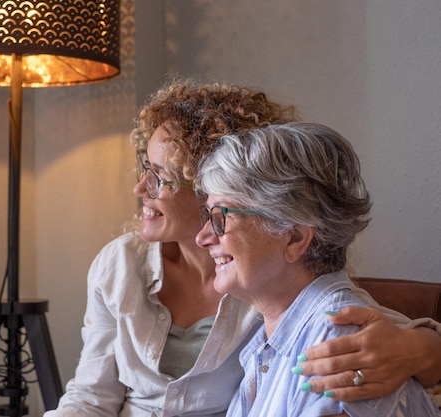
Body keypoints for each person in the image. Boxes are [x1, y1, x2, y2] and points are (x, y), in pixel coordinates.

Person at [43, 79, 441, 417]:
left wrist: (418, 349)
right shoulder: (124, 263)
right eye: (144, 168)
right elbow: (91, 395)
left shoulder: (291, 303)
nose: (140, 188)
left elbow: (357, 320)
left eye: (160, 176)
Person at [195, 122, 440, 416]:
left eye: (221, 216)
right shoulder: (273, 337)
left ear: (295, 238)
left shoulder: (339, 351)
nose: (204, 237)